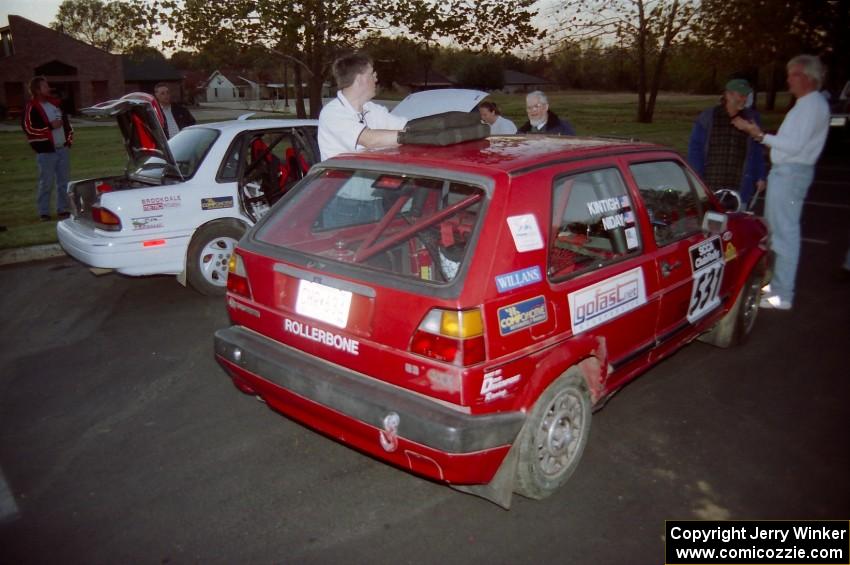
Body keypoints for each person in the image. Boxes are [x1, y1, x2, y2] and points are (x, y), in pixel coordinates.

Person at [732, 55, 830, 310]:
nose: (788, 79)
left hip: (791, 173)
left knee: (784, 233)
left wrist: (759, 135)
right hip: (787, 172)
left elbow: (795, 145)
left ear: (807, 78)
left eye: (793, 74)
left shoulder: (811, 105)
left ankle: (782, 295)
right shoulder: (808, 105)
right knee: (777, 230)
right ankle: (776, 287)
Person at [687, 79, 766, 208]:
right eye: (741, 95)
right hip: (711, 186)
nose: (744, 99)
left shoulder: (751, 119)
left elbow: (757, 150)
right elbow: (695, 151)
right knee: (711, 224)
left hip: (739, 187)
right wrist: (697, 181)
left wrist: (760, 175)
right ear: (728, 95)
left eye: (746, 96)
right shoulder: (708, 118)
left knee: (737, 225)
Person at [318, 53, 408, 161]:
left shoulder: (372, 109)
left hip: (370, 175)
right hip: (341, 177)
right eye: (372, 74)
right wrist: (411, 137)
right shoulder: (333, 113)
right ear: (360, 79)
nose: (376, 78)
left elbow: (406, 127)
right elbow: (370, 140)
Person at [22, 76, 73, 222]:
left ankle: (62, 210)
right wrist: (50, 127)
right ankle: (44, 212)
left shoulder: (55, 105)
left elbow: (66, 124)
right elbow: (28, 128)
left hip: (62, 149)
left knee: (63, 182)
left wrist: (68, 139)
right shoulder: (32, 107)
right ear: (37, 90)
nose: (48, 88)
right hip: (46, 152)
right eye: (45, 86)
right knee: (46, 182)